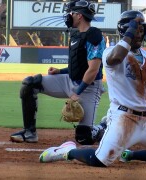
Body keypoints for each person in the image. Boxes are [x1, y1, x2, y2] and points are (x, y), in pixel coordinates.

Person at [38, 10, 146, 168]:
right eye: (135, 30)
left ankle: (129, 155)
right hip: (124, 118)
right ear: (125, 32)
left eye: (141, 30)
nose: (139, 34)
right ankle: (67, 151)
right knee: (99, 161)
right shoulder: (110, 53)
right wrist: (131, 30)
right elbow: (117, 57)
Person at [10, 0, 107, 146]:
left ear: (79, 16)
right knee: (30, 84)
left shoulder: (94, 36)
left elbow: (92, 70)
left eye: (71, 13)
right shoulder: (75, 35)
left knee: (83, 137)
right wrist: (60, 71)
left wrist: (78, 93)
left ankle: (103, 126)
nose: (69, 16)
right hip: (69, 80)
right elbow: (79, 66)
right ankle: (29, 132)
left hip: (88, 87)